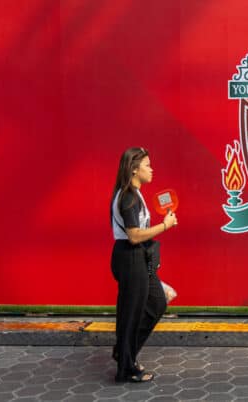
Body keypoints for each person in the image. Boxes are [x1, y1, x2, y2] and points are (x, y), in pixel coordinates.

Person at [109, 147, 177, 383]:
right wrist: (166, 225)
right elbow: (135, 235)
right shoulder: (128, 196)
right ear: (134, 169)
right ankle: (126, 368)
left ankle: (124, 351)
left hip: (138, 257)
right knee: (131, 314)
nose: (152, 169)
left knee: (157, 302)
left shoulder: (134, 194)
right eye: (147, 165)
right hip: (130, 257)